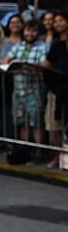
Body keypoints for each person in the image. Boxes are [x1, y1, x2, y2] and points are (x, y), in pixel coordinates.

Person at [2, 19, 47, 155]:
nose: (30, 33)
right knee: (22, 122)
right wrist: (12, 62)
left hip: (35, 91)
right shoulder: (18, 46)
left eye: (33, 31)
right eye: (28, 30)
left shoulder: (42, 46)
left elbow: (43, 66)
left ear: (38, 33)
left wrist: (26, 67)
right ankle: (25, 150)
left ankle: (39, 151)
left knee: (36, 123)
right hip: (19, 90)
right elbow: (5, 60)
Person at [42, 9, 68, 166]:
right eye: (55, 21)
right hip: (57, 90)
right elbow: (47, 64)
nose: (57, 24)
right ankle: (58, 155)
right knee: (54, 124)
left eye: (61, 20)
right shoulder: (56, 44)